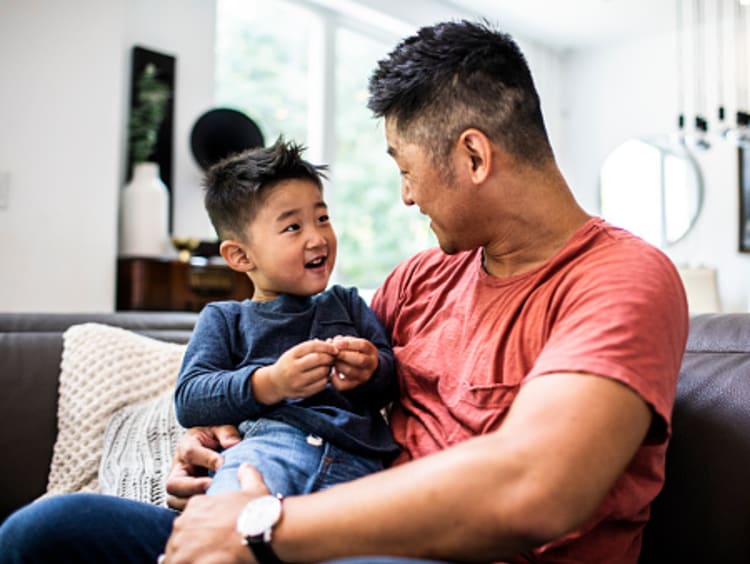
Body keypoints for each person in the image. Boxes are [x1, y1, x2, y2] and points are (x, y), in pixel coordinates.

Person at [0, 19, 688, 564]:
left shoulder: (620, 279)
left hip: (444, 553)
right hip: (312, 521)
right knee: (51, 531)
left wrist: (264, 523)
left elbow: (537, 489)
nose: (405, 194)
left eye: (405, 167)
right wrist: (227, 443)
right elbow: (317, 373)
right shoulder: (421, 279)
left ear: (474, 156)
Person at [173, 139, 399, 497]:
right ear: (241, 256)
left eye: (322, 218)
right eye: (293, 227)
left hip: (361, 461)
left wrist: (371, 369)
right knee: (228, 521)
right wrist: (270, 383)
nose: (317, 238)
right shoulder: (225, 318)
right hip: (267, 452)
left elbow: (391, 381)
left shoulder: (348, 303)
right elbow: (190, 397)